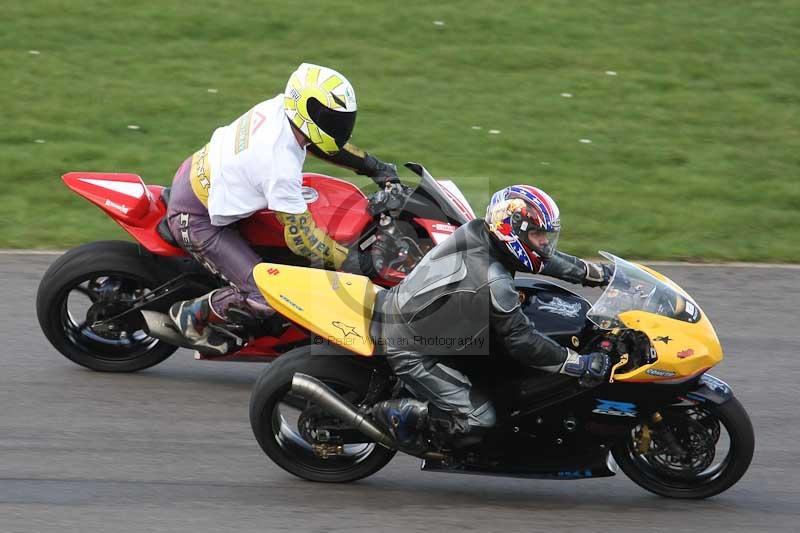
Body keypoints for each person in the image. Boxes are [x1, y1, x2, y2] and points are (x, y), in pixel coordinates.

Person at [165, 63, 398, 356]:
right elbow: (303, 239)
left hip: (201, 176)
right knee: (267, 294)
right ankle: (192, 316)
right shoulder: (279, 165)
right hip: (197, 218)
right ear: (307, 109)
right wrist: (355, 262)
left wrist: (374, 166)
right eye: (331, 119)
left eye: (342, 119)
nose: (340, 127)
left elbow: (320, 142)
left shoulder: (283, 109)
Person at [371, 185, 612, 448]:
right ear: (512, 233)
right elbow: (524, 341)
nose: (545, 242)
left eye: (546, 234)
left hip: (427, 319)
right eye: (537, 233)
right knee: (479, 418)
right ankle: (398, 416)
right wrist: (577, 363)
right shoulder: (492, 278)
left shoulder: (480, 231)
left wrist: (594, 273)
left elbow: (541, 256)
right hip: (411, 347)